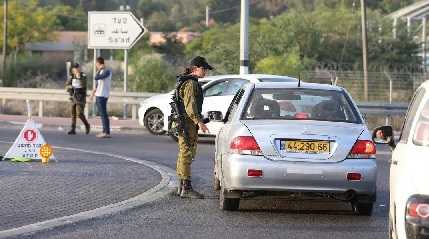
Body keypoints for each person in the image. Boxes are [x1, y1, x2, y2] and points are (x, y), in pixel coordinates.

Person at [175, 56, 212, 199]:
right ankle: (186, 188)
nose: (205, 72)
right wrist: (199, 122)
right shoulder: (191, 83)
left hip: (183, 122)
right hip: (187, 123)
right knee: (187, 153)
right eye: (204, 69)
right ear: (195, 68)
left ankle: (181, 187)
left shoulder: (185, 80)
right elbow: (190, 106)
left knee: (183, 153)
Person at [65, 63, 90, 135]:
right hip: (73, 97)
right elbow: (67, 85)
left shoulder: (83, 76)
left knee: (80, 114)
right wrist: (69, 87)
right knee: (73, 113)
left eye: (77, 68)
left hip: (80, 98)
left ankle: (87, 125)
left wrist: (78, 77)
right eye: (74, 68)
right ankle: (73, 129)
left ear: (79, 68)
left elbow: (83, 85)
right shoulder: (71, 76)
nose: (76, 69)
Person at [92, 57, 112, 138]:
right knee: (102, 114)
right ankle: (105, 131)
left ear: (99, 63)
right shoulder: (101, 72)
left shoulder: (107, 71)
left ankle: (106, 132)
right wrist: (92, 94)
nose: (96, 66)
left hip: (103, 96)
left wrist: (100, 70)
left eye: (96, 64)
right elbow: (97, 84)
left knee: (103, 115)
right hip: (98, 95)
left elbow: (96, 77)